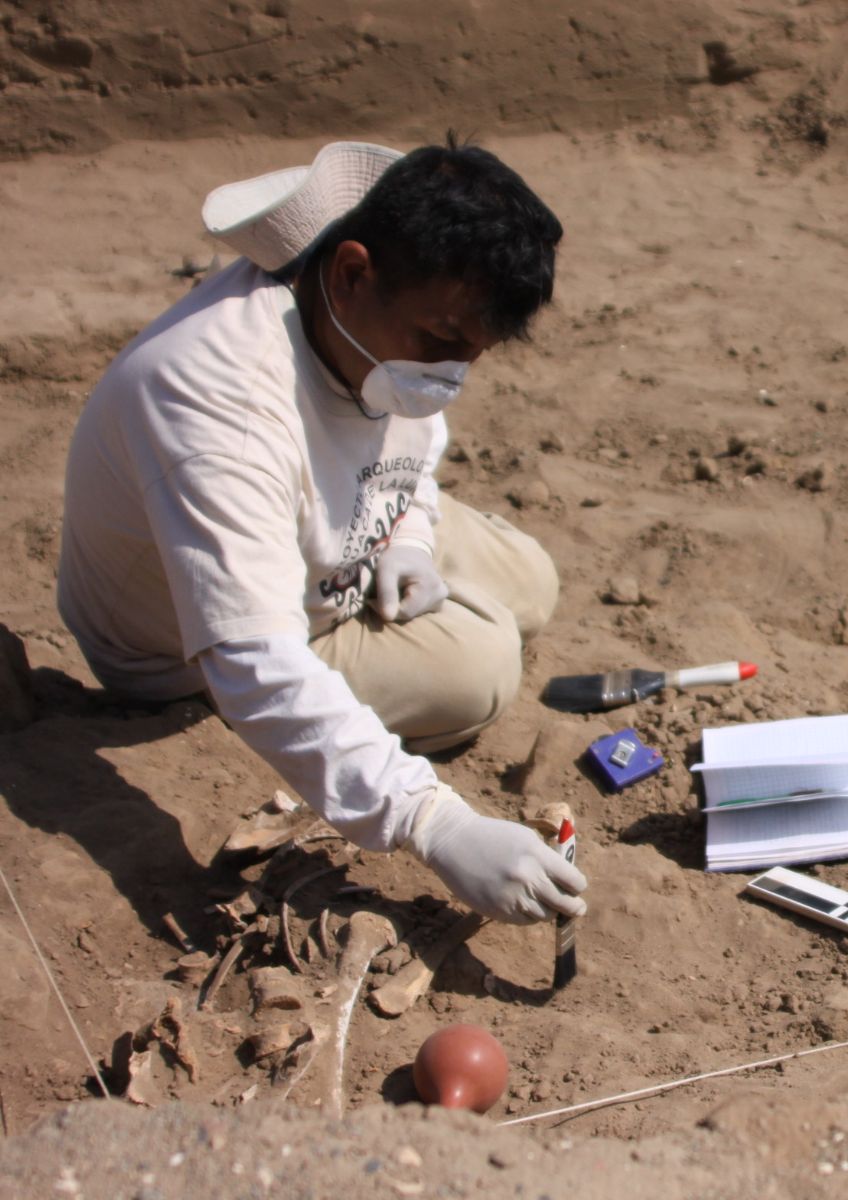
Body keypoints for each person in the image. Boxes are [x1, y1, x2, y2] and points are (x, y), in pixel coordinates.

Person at [57, 139, 586, 925]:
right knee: (483, 666)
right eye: (441, 344)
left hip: (330, 534)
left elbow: (408, 443)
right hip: (182, 650)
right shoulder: (217, 404)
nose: (452, 374)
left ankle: (412, 586)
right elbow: (252, 660)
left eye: (474, 355)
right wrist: (433, 823)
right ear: (350, 272)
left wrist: (406, 534)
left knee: (529, 578)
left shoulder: (362, 326)